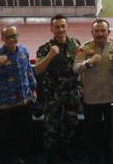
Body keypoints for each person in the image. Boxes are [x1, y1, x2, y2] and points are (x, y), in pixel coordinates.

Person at [35, 14, 82, 163]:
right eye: (57, 27)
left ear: (67, 27)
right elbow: (38, 70)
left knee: (71, 127)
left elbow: (79, 66)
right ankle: (53, 158)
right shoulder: (45, 48)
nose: (60, 29)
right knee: (52, 130)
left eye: (63, 26)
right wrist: (50, 56)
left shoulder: (75, 44)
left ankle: (69, 155)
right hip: (53, 97)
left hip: (71, 95)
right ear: (51, 29)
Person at [74, 19, 113, 164]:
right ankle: (93, 159)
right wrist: (88, 63)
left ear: (109, 32)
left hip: (111, 96)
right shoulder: (84, 48)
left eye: (103, 31)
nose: (100, 34)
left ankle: (109, 158)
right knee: (92, 133)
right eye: (97, 31)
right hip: (91, 98)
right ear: (92, 32)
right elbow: (75, 68)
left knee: (110, 131)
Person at [0, 25, 36, 164]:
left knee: (25, 134)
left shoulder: (23, 51)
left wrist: (33, 88)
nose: (11, 39)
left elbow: (28, 71)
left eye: (14, 36)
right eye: (8, 36)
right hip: (5, 104)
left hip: (24, 101)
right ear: (2, 38)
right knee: (4, 137)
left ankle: (24, 158)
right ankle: (5, 160)